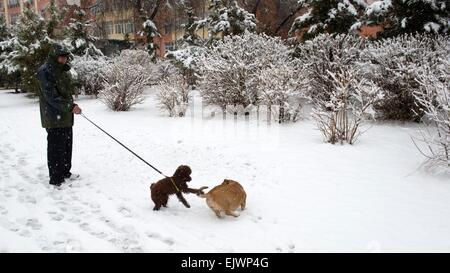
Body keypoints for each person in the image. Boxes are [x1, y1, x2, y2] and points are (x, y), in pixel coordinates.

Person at [37, 44, 82, 187]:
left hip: (65, 116)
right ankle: (56, 178)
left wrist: (71, 106)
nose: (64, 59)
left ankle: (65, 172)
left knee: (66, 146)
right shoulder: (45, 72)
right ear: (54, 56)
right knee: (56, 148)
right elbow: (51, 97)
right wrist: (70, 107)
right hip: (53, 116)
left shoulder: (63, 70)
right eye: (61, 57)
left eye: (66, 57)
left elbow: (65, 91)